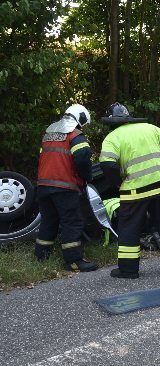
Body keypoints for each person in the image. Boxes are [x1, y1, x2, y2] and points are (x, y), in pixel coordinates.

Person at [99, 103, 160, 279]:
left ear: (110, 122)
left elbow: (108, 164)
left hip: (134, 192)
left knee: (129, 229)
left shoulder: (112, 138)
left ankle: (128, 270)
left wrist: (117, 182)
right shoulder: (150, 128)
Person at [34, 104, 98, 272]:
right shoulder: (75, 135)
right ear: (81, 118)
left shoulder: (49, 134)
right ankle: (74, 261)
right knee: (72, 222)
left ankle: (41, 257)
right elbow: (83, 158)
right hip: (65, 187)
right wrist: (86, 178)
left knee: (49, 221)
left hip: (43, 186)